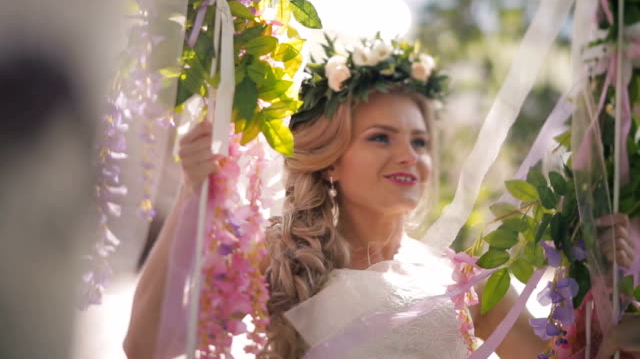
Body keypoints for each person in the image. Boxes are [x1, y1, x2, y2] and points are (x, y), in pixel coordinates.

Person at [124, 37, 635, 359]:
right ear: (330, 157)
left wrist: (615, 288)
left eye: (419, 141)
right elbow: (145, 349)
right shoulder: (272, 268)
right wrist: (195, 190)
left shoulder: (470, 280)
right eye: (380, 137)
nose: (409, 155)